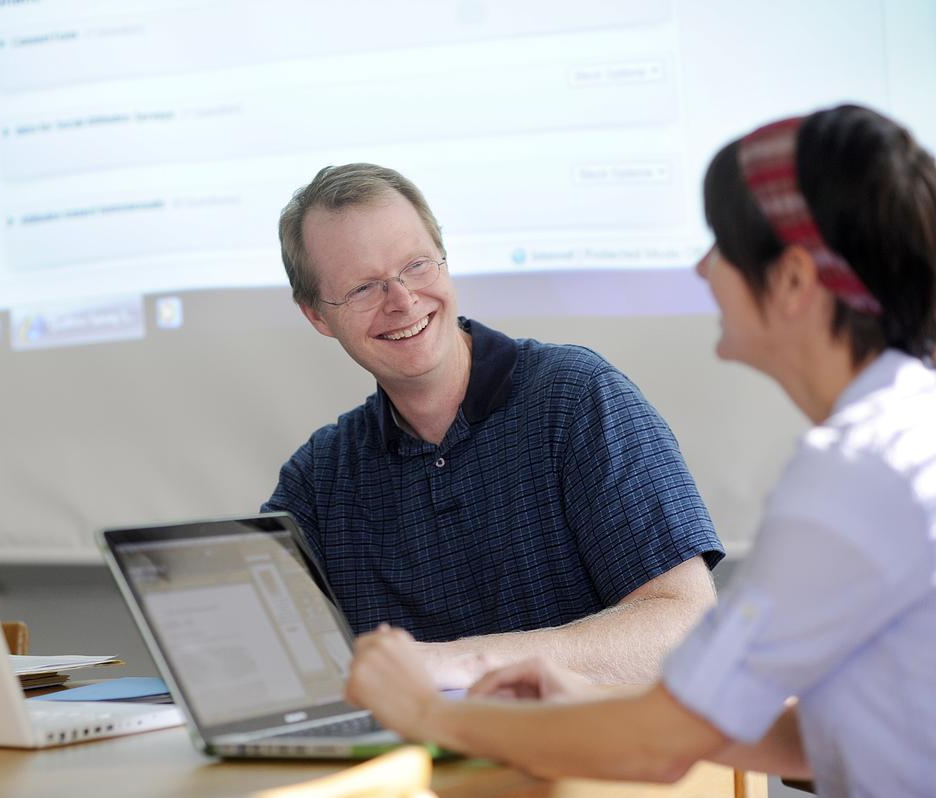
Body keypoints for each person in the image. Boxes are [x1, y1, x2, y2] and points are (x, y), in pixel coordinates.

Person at [345, 105, 936, 796]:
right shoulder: (904, 433)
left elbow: (657, 752)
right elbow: (829, 737)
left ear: (796, 281)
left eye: (722, 245)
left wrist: (426, 710)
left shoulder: (852, 479)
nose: (702, 267)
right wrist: (595, 704)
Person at [264, 163, 724, 688]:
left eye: (416, 265)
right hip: (415, 769)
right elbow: (263, 657)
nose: (403, 301)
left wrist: (466, 662)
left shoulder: (576, 397)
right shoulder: (320, 479)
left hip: (591, 764)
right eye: (364, 287)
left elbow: (685, 627)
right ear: (317, 316)